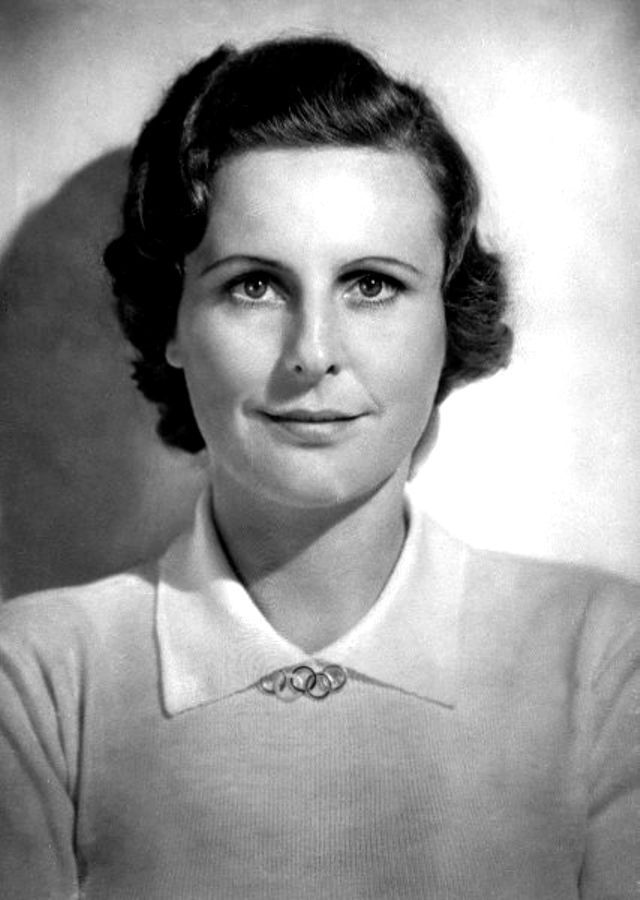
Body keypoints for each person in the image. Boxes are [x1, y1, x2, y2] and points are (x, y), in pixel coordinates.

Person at [0, 34, 638, 900]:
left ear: (447, 319)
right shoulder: (37, 680)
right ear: (173, 324)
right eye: (254, 285)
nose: (313, 352)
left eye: (371, 284)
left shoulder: (605, 658)